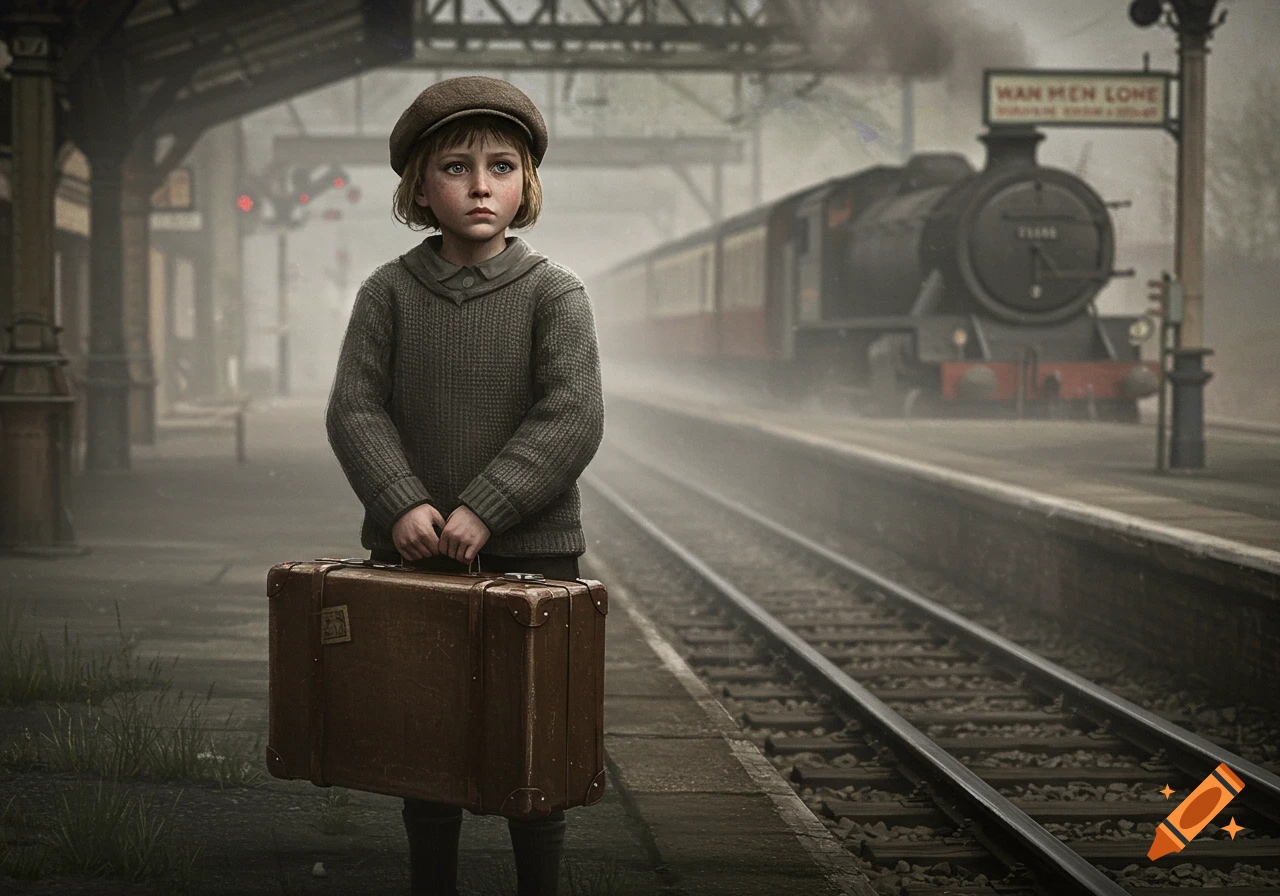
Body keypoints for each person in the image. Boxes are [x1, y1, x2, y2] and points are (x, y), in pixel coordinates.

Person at [325, 75, 605, 896]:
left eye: (502, 168)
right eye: (455, 167)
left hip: (536, 557)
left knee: (533, 741)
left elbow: (573, 416)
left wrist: (485, 507)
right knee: (427, 737)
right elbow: (355, 408)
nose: (480, 185)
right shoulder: (389, 293)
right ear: (419, 186)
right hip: (415, 553)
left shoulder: (555, 294)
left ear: (527, 186)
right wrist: (401, 499)